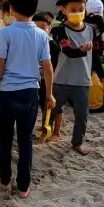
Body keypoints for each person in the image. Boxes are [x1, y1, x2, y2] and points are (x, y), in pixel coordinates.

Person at [0, 0, 55, 199]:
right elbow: (48, 67)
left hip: (7, 93)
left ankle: (5, 180)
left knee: (5, 139)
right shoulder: (42, 35)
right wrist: (49, 94)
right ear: (35, 9)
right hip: (30, 94)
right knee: (26, 141)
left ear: (12, 9)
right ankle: (24, 187)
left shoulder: (6, 33)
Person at [50, 0, 104, 156]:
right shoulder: (60, 30)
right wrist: (81, 50)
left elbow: (95, 55)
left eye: (81, 9)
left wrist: (101, 75)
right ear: (63, 9)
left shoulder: (91, 30)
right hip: (62, 78)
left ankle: (77, 142)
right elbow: (68, 51)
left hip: (82, 79)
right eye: (73, 10)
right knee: (52, 109)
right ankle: (48, 131)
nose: (78, 13)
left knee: (82, 114)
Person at [33, 11, 62, 140]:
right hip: (40, 78)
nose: (39, 30)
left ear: (49, 28)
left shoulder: (53, 45)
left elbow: (54, 64)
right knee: (43, 103)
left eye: (43, 27)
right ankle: (45, 125)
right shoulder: (35, 42)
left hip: (52, 79)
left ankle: (57, 132)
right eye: (36, 27)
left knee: (55, 106)